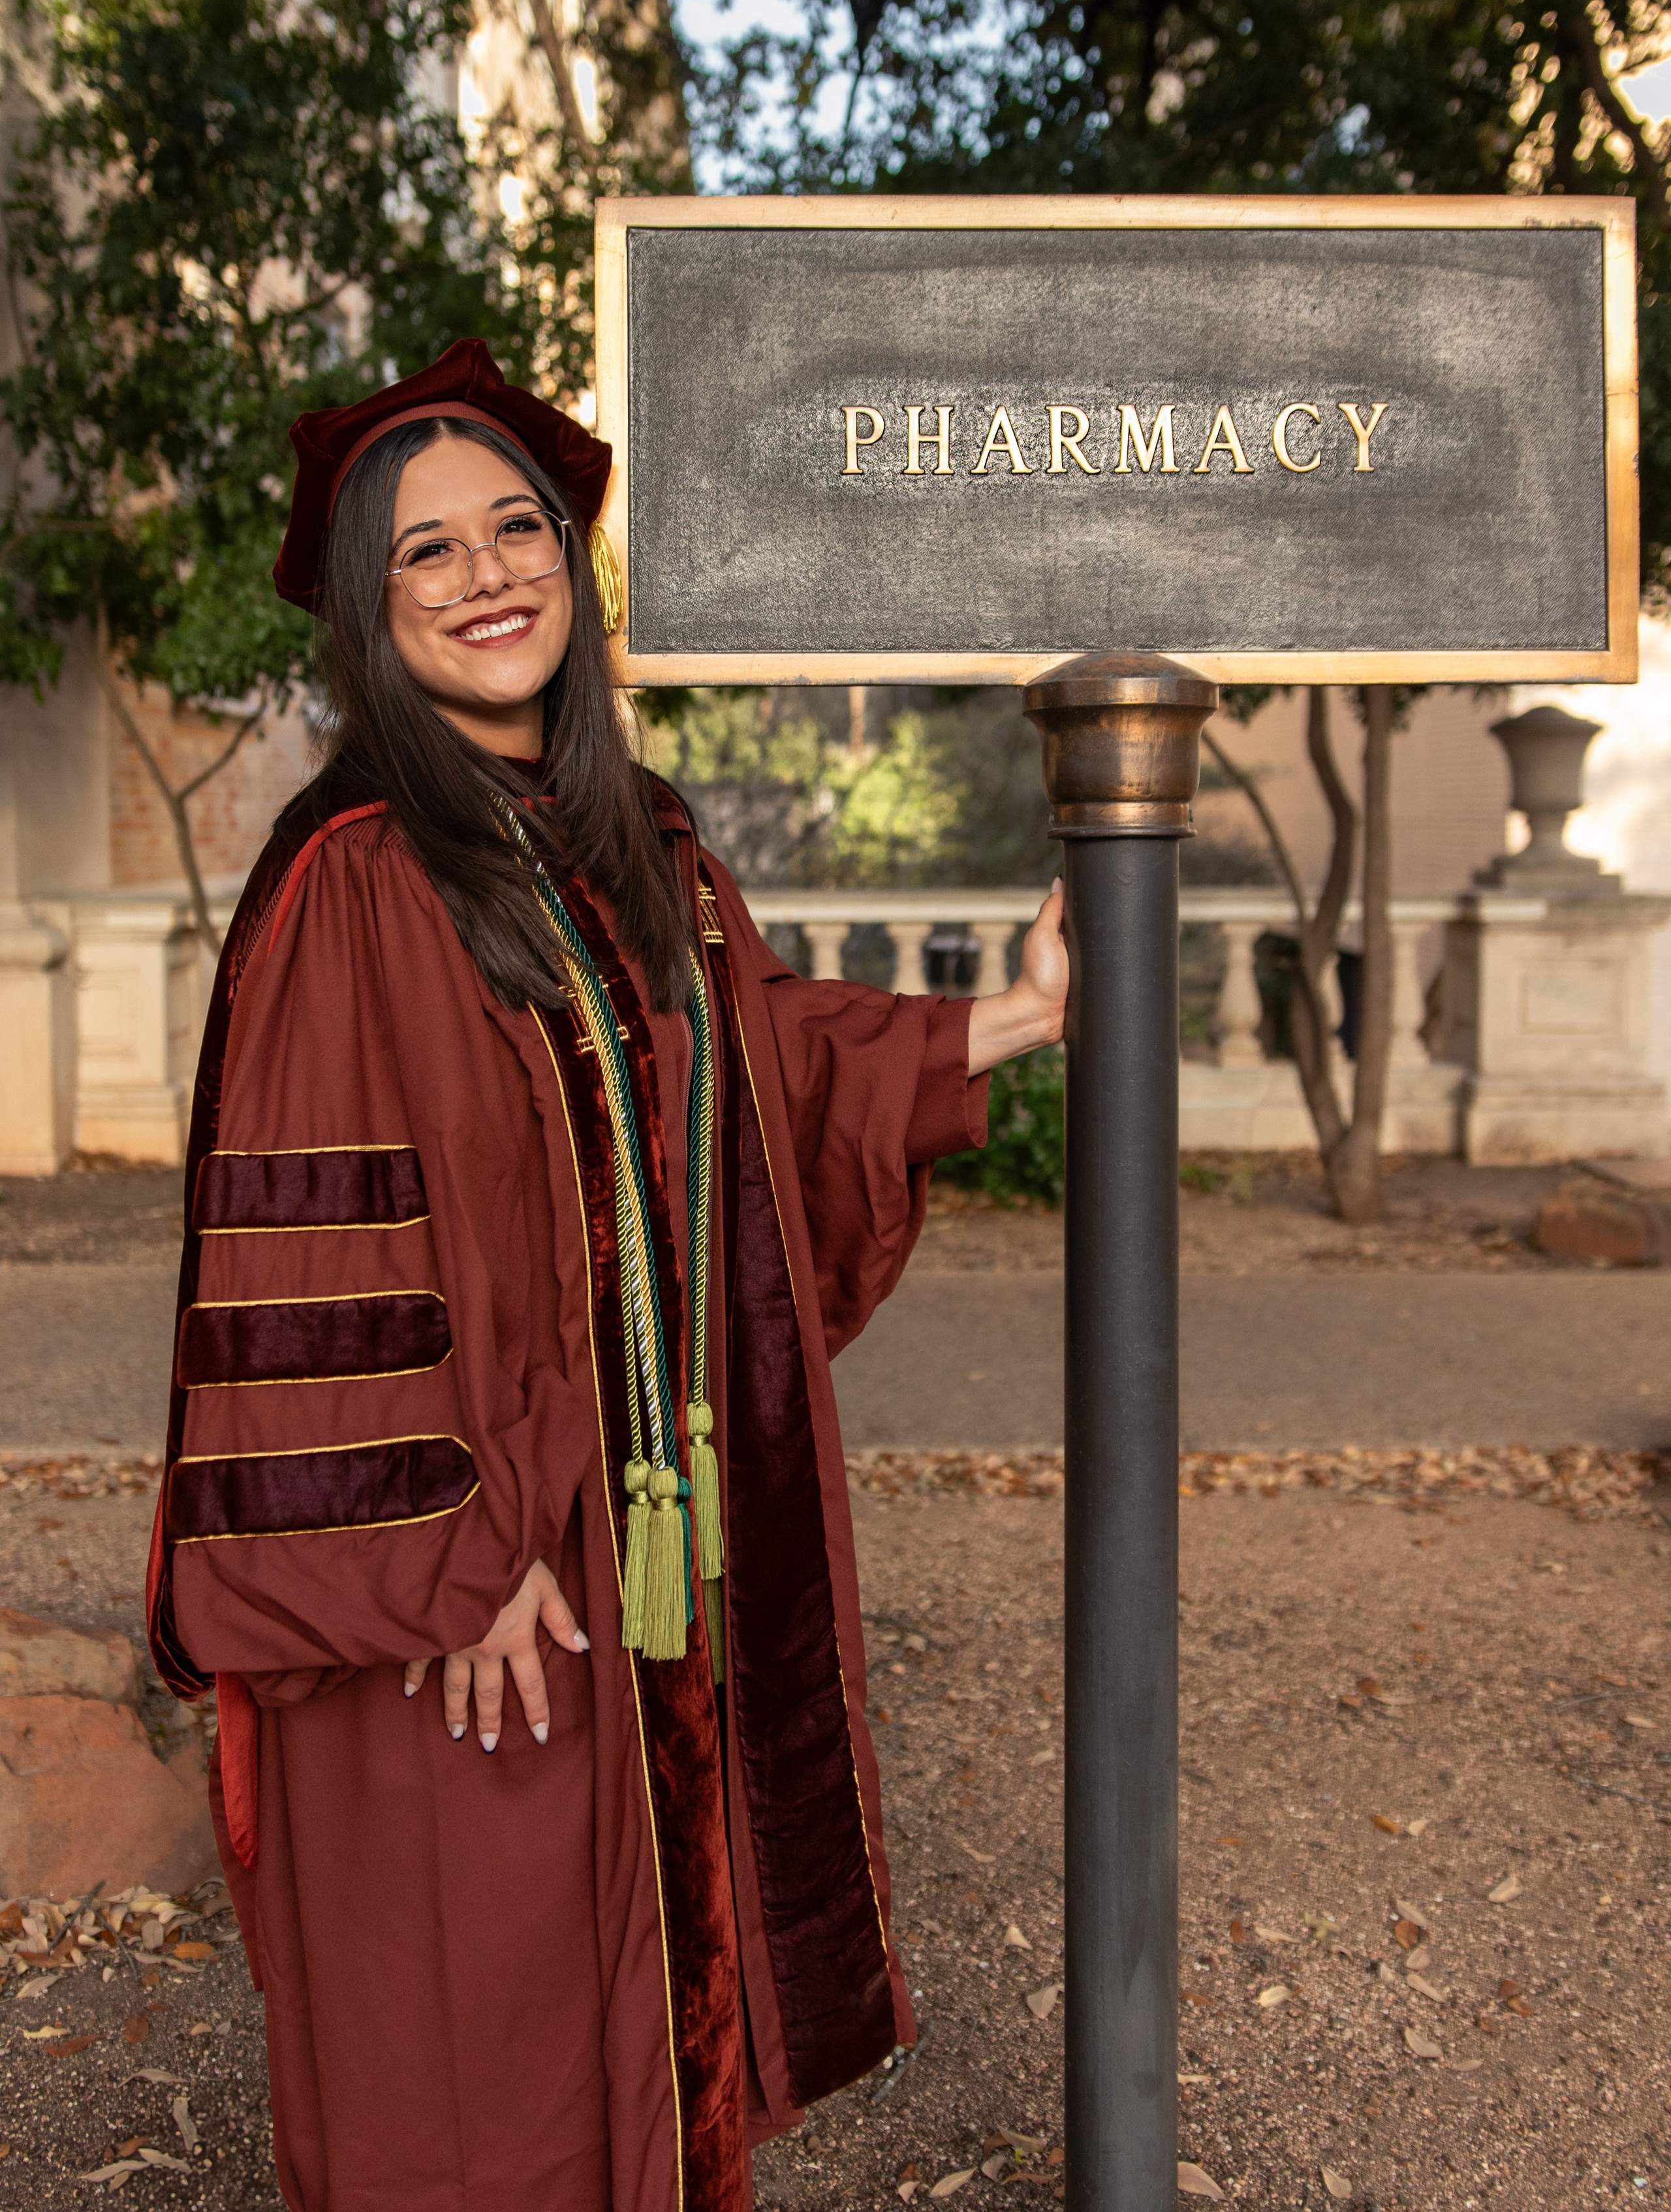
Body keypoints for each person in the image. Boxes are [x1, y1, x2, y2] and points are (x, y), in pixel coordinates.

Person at [147, 340, 1068, 2212]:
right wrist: (452, 1559)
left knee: (627, 2015)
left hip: (640, 1545)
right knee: (469, 2043)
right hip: (472, 1588)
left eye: (521, 528)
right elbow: (320, 1271)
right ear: (367, 603)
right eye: (430, 553)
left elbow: (764, 1062)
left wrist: (1020, 1014)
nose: (491, 573)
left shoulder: (637, 844)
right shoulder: (356, 875)